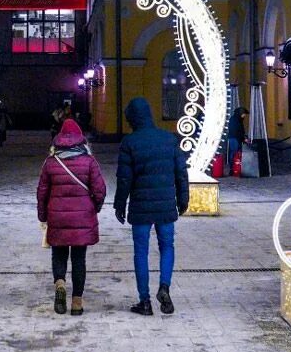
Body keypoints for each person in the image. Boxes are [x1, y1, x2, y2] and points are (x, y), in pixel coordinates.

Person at [113, 97, 188, 316]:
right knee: (167, 246)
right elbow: (181, 173)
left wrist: (120, 204)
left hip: (141, 208)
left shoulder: (130, 143)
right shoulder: (169, 139)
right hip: (165, 205)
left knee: (141, 252)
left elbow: (124, 179)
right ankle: (164, 287)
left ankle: (144, 301)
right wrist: (183, 199)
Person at [36, 118, 106, 316]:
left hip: (57, 217)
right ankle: (77, 302)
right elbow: (100, 190)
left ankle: (60, 284)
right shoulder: (89, 161)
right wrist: (95, 208)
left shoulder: (50, 162)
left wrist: (43, 216)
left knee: (58, 254)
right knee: (79, 259)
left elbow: (42, 192)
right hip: (82, 218)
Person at [227, 105, 247, 177]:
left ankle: (234, 168)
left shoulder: (235, 119)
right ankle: (234, 168)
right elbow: (238, 131)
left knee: (234, 153)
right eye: (244, 114)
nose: (244, 116)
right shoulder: (236, 120)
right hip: (235, 138)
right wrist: (243, 138)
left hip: (234, 138)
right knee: (235, 153)